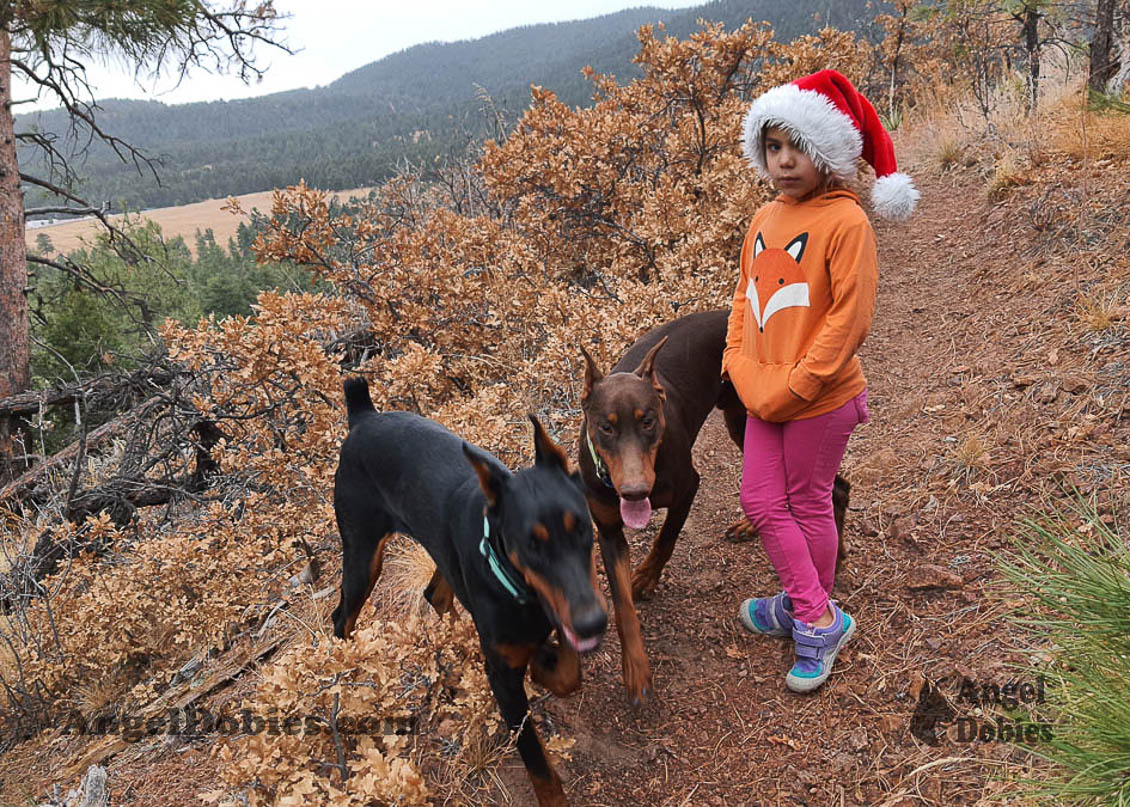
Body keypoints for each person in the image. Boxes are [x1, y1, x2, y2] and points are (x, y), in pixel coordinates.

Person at [722, 69, 918, 693]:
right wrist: (734, 357)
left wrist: (802, 384)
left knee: (805, 502)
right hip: (762, 389)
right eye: (773, 147)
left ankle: (810, 613)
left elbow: (849, 318)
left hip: (819, 397)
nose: (783, 161)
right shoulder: (763, 218)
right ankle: (813, 608)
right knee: (759, 501)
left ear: (829, 152)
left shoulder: (846, 222)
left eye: (797, 147)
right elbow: (744, 297)